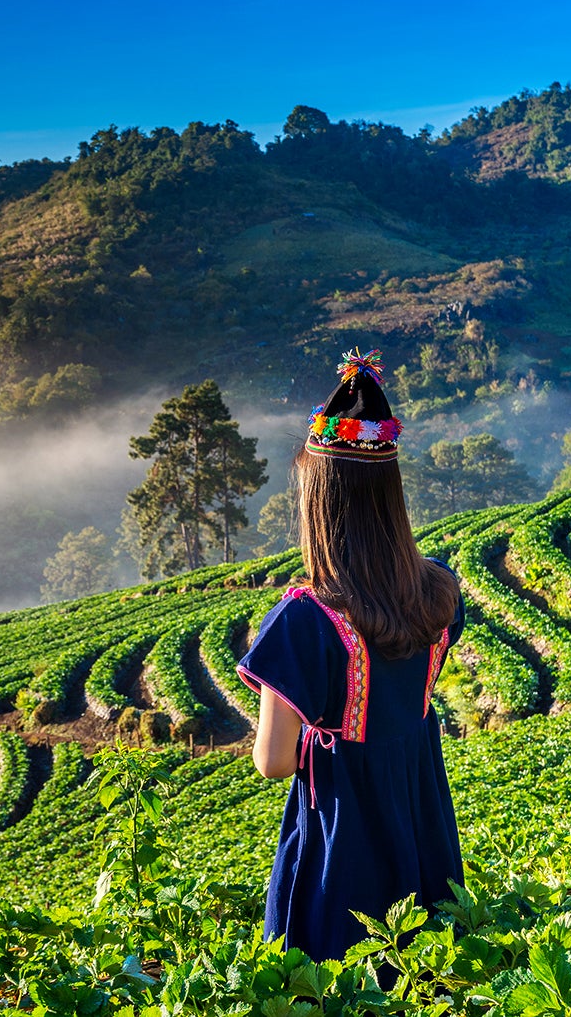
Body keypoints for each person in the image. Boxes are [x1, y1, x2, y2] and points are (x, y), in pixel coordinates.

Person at [237, 347, 466, 962]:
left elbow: (274, 763)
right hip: (420, 815)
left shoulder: (304, 621)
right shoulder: (437, 589)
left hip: (346, 837)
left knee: (343, 973)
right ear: (391, 495)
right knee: (428, 965)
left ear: (319, 504)